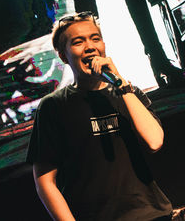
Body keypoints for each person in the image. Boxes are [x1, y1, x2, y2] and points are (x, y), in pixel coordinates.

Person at [26, 11, 172, 220]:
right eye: (78, 42)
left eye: (95, 39)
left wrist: (121, 85)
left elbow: (154, 142)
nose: (90, 46)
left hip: (151, 215)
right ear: (63, 55)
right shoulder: (54, 106)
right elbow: (44, 181)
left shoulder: (129, 93)